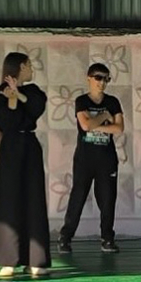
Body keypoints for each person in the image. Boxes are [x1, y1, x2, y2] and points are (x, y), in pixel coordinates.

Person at [0, 52, 51, 278]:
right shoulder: (2, 91)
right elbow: (5, 122)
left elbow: (36, 108)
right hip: (11, 148)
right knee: (9, 200)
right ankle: (9, 260)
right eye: (28, 65)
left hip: (29, 146)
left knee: (34, 199)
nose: (31, 69)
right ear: (19, 67)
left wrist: (19, 95)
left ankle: (35, 260)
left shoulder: (33, 91)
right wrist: (12, 99)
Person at [57, 63, 126, 255]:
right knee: (78, 197)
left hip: (107, 158)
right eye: (98, 78)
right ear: (89, 78)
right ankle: (65, 237)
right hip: (84, 159)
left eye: (106, 79)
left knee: (107, 199)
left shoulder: (113, 101)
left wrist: (96, 123)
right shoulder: (82, 101)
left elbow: (119, 128)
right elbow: (85, 125)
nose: (102, 82)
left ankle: (107, 238)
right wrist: (104, 116)